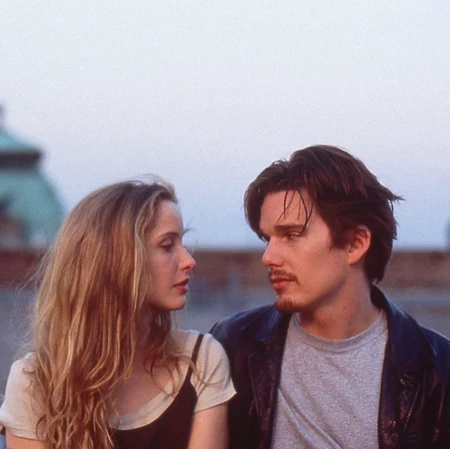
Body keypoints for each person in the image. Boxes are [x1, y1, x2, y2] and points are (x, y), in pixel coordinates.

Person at [211, 145, 450, 449]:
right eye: (268, 238)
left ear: (355, 243)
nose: (268, 257)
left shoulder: (437, 370)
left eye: (292, 235)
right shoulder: (232, 347)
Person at [0, 179, 235, 449]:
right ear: (117, 259)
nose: (189, 261)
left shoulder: (200, 360)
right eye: (167, 245)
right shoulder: (34, 382)